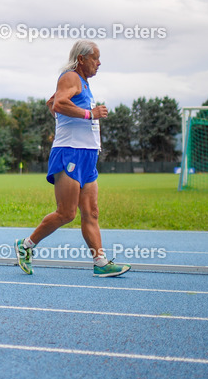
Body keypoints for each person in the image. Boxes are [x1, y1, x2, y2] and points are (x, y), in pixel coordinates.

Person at [14, 41, 130, 277]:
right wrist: (90, 114)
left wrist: (65, 115)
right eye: (95, 58)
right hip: (70, 152)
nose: (99, 63)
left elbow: (52, 103)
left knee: (92, 212)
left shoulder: (83, 83)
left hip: (87, 156)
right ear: (81, 59)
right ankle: (25, 246)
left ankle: (100, 263)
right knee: (66, 213)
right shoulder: (71, 77)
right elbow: (59, 103)